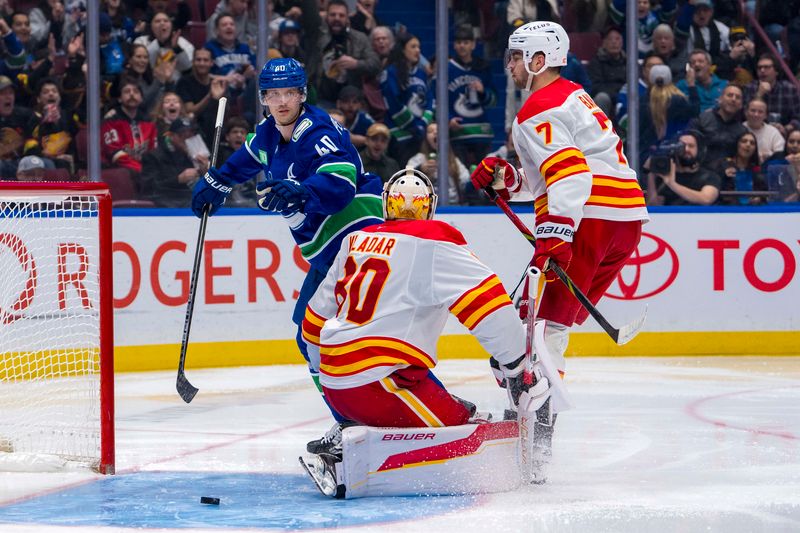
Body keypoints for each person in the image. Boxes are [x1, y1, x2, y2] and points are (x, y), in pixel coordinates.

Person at [190, 57, 384, 452]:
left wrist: (304, 192)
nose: (282, 101)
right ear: (263, 99)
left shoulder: (320, 131)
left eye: (289, 92)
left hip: (359, 242)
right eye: (273, 94)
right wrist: (216, 182)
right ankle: (351, 421)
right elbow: (243, 161)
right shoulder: (265, 135)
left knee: (330, 335)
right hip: (329, 253)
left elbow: (341, 185)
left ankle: (365, 417)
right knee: (310, 336)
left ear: (302, 94)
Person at [470, 22, 648, 386]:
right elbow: (561, 171)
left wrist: (556, 234)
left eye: (517, 57)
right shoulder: (573, 94)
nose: (511, 65)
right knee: (546, 319)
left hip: (589, 219)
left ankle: (539, 425)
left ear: (540, 59)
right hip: (624, 221)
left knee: (539, 325)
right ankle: (535, 414)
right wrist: (509, 179)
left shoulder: (539, 107)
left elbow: (570, 175)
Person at [301, 167, 529, 431]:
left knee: (455, 406)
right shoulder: (435, 239)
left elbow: (314, 320)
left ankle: (350, 434)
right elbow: (486, 303)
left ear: (387, 202)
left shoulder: (355, 240)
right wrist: (516, 361)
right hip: (380, 384)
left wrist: (328, 375)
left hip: (335, 387)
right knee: (468, 426)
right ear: (428, 207)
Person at [446, 25, 496, 168]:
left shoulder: (483, 67)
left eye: (466, 42)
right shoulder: (447, 69)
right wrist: (449, 120)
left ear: (473, 45)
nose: (462, 46)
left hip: (482, 133)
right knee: (462, 179)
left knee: (485, 177)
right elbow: (438, 101)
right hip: (459, 134)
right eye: (459, 42)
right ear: (454, 45)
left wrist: (483, 92)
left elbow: (494, 100)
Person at [380, 32, 432, 167]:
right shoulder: (391, 72)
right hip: (400, 136)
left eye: (419, 47)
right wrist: (414, 125)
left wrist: (423, 123)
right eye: (413, 47)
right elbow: (393, 102)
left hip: (420, 135)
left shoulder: (421, 73)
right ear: (403, 49)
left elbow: (430, 100)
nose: (418, 51)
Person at [140, 116, 208, 207]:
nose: (186, 139)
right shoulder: (153, 156)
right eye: (182, 135)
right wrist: (178, 180)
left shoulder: (195, 156)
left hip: (190, 198)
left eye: (190, 135)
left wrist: (205, 173)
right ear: (171, 136)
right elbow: (149, 187)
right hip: (165, 202)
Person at [100, 79, 158, 177]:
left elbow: (154, 151)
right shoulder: (111, 120)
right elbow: (115, 154)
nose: (132, 94)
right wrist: (141, 170)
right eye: (127, 91)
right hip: (117, 171)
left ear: (141, 98)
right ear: (119, 98)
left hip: (144, 171)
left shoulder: (148, 121)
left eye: (136, 91)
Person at [646, 130, 720, 206]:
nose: (686, 149)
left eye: (691, 146)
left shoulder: (710, 177)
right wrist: (651, 173)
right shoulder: (664, 176)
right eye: (681, 146)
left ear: (699, 150)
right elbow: (654, 204)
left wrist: (672, 184)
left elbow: (706, 199)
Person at [407, 122, 468, 205]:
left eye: (439, 130)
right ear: (426, 138)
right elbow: (405, 183)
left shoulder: (454, 160)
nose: (435, 132)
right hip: (425, 207)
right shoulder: (417, 159)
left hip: (453, 207)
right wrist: (420, 170)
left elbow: (465, 182)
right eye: (430, 131)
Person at [688, 84, 746, 165]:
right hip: (700, 169)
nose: (733, 99)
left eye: (738, 97)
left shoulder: (742, 131)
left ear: (741, 105)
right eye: (730, 95)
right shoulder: (702, 120)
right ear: (720, 99)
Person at [743, 54, 800, 126]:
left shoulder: (789, 89)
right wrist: (759, 94)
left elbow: (798, 116)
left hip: (783, 132)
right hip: (756, 130)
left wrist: (787, 128)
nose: (762, 70)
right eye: (759, 68)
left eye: (766, 67)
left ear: (776, 71)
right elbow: (745, 116)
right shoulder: (750, 88)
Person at [587, 26, 627, 120]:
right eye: (610, 39)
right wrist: (616, 94)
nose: (614, 42)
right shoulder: (596, 62)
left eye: (617, 39)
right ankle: (601, 131)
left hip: (625, 96)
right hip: (607, 96)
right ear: (604, 43)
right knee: (601, 98)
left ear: (622, 42)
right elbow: (595, 86)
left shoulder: (629, 62)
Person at [718, 130, 766, 206]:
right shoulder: (724, 165)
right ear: (737, 145)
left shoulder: (756, 169)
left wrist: (759, 198)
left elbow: (764, 193)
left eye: (752, 143)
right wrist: (724, 174)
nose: (748, 145)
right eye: (744, 141)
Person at [676, 49, 727, 114]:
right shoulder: (682, 85)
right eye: (693, 62)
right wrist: (691, 85)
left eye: (700, 61)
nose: (696, 64)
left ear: (709, 65)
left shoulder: (724, 85)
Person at [742, 98, 785, 163]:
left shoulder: (773, 132)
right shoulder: (739, 129)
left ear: (766, 116)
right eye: (753, 111)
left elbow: (780, 155)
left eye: (760, 112)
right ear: (746, 112)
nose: (756, 114)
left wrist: (769, 156)